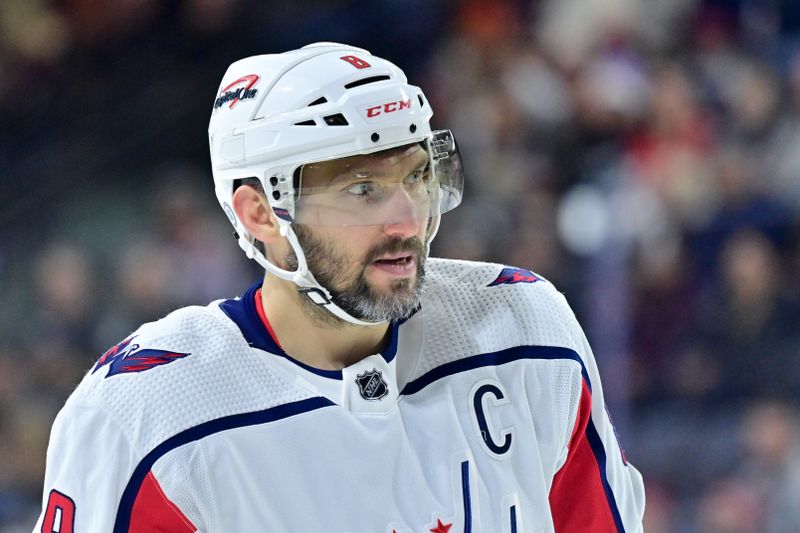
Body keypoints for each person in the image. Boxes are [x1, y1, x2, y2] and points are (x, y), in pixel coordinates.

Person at [34, 43, 645, 532]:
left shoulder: (524, 327)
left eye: (415, 176)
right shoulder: (146, 418)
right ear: (261, 215)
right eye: (362, 190)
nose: (409, 220)